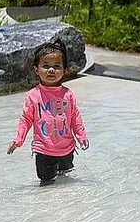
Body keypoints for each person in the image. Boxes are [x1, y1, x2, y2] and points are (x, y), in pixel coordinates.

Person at [7, 41, 89, 186]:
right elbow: (25, 119)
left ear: (64, 70)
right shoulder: (33, 96)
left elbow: (75, 117)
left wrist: (81, 136)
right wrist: (18, 139)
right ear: (36, 70)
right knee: (46, 185)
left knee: (66, 180)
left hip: (67, 148)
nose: (51, 70)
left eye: (57, 66)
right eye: (46, 66)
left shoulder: (68, 95)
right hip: (43, 149)